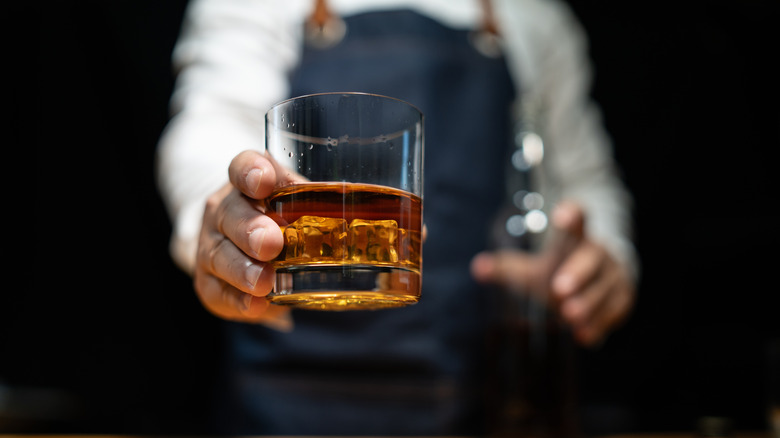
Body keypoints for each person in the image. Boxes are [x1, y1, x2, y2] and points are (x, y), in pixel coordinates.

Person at [156, 0, 638, 434]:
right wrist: (223, 215)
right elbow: (210, 126)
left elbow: (585, 179)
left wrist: (601, 260)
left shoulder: (535, 15)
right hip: (281, 403)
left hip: (473, 398)